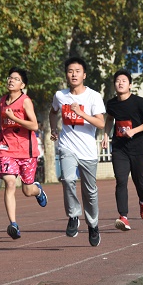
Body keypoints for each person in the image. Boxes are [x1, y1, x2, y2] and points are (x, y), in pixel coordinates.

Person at [49, 57, 105, 246]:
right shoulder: (60, 95)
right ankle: (73, 215)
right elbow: (53, 112)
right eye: (70, 71)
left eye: (77, 71)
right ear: (66, 74)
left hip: (87, 151)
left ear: (84, 75)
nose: (74, 74)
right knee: (67, 179)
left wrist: (81, 113)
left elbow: (101, 123)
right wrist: (53, 129)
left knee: (90, 192)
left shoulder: (93, 96)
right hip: (67, 146)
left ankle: (93, 225)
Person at [0, 67, 47, 239]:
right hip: (6, 148)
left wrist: (14, 118)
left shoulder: (25, 101)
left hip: (26, 151)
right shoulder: (2, 101)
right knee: (10, 183)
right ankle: (13, 224)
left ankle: (38, 190)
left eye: (16, 79)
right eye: (10, 77)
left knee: (27, 190)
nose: (11, 80)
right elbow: (4, 123)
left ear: (22, 85)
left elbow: (34, 125)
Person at [102, 69, 143, 231]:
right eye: (117, 81)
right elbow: (109, 119)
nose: (120, 83)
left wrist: (134, 131)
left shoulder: (139, 102)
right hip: (119, 149)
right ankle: (123, 217)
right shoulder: (111, 104)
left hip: (137, 148)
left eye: (123, 81)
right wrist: (105, 135)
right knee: (121, 181)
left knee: (139, 180)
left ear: (130, 85)